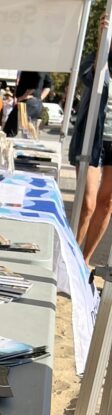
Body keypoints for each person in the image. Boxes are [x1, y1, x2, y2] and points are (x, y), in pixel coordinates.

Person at [70, 18, 112, 263]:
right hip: (92, 138)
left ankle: (85, 260)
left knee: (107, 203)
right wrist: (102, 44)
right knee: (87, 204)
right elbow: (89, 79)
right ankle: (71, 258)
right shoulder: (97, 60)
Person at [4, 71, 52, 135]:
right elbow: (48, 86)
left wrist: (20, 98)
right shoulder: (43, 70)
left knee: (9, 129)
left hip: (27, 103)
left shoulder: (30, 69)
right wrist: (39, 99)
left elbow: (32, 87)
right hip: (35, 103)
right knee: (26, 132)